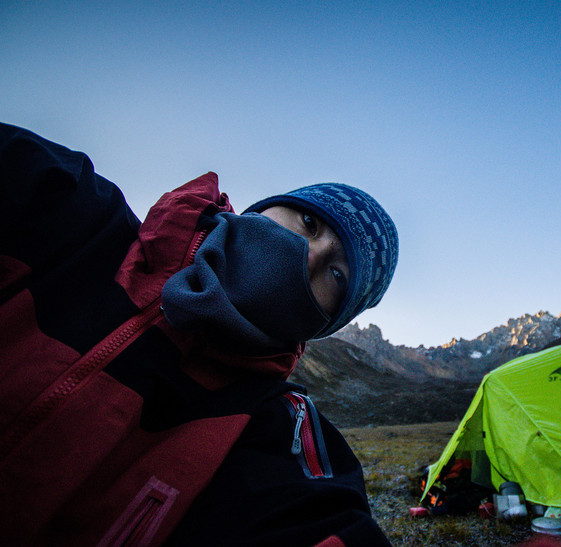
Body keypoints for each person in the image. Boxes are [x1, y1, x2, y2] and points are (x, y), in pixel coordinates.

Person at [0, 122, 398, 546]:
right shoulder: (71, 211)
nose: (309, 254)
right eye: (308, 221)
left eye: (338, 274)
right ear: (263, 210)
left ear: (328, 322)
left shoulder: (268, 430)